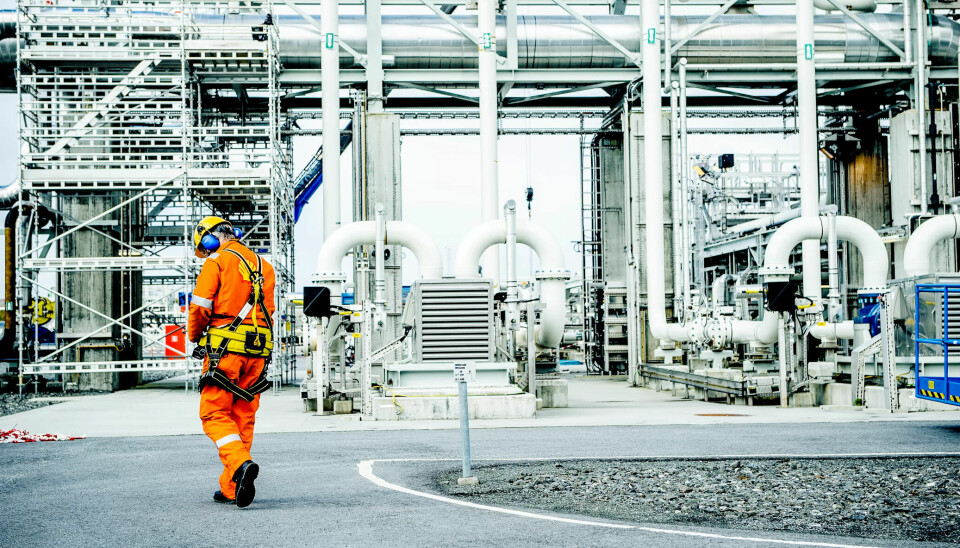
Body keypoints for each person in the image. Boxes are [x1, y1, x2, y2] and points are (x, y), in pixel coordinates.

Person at [187, 216, 276, 508]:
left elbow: (200, 307)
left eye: (205, 245)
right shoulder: (265, 267)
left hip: (225, 351)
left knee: (213, 414)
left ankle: (239, 464)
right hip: (258, 353)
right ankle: (231, 487)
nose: (207, 250)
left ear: (212, 238)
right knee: (243, 418)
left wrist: (195, 336)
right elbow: (269, 311)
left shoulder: (215, 263)